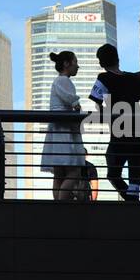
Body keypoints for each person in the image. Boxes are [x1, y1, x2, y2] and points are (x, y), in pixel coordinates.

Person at [89, 43, 140, 201]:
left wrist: (106, 114)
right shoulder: (133, 77)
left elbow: (97, 103)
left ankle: (132, 202)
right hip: (138, 133)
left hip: (119, 133)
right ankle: (134, 203)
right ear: (118, 58)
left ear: (102, 63)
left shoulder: (103, 78)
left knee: (113, 173)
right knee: (134, 180)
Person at [40, 50, 88, 201]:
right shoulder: (63, 80)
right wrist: (76, 104)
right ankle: (63, 205)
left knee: (59, 174)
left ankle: (58, 206)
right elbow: (68, 97)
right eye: (75, 62)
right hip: (64, 130)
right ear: (67, 64)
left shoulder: (58, 81)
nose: (77, 66)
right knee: (74, 172)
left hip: (57, 129)